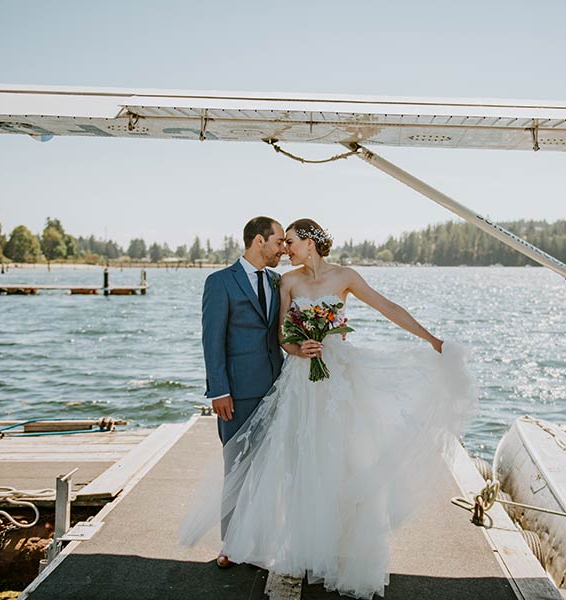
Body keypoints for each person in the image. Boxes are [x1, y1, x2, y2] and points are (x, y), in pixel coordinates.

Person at [181, 218, 476, 599]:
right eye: (281, 242)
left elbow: (388, 307)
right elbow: (281, 334)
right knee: (297, 462)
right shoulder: (286, 281)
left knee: (343, 459)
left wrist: (433, 340)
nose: (285, 249)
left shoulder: (344, 276)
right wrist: (297, 348)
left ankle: (340, 547)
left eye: (290, 242)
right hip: (301, 381)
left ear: (310, 242)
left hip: (340, 377)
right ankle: (272, 543)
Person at [199, 216, 286, 568]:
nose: (283, 248)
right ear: (258, 241)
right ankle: (231, 545)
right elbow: (212, 339)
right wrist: (219, 390)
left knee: (269, 468)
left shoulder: (280, 281)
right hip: (237, 392)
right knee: (236, 468)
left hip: (279, 388)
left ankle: (264, 540)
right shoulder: (220, 282)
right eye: (278, 241)